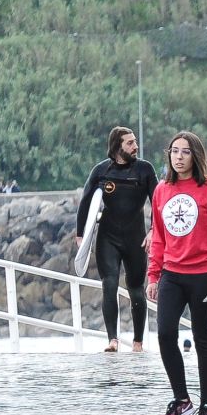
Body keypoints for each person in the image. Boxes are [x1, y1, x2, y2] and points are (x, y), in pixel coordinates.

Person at [146, 131, 207, 415]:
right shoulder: (162, 190)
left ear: (196, 156)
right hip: (172, 275)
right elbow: (158, 237)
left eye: (185, 152)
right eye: (175, 151)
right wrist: (153, 275)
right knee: (165, 334)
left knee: (204, 338)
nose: (179, 157)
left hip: (204, 274)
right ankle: (181, 400)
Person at [75, 126, 158, 353]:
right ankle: (113, 340)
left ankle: (138, 342)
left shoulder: (145, 170)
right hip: (108, 237)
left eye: (135, 142)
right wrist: (80, 235)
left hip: (136, 238)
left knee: (135, 288)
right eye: (130, 143)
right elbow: (85, 201)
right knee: (109, 284)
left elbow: (158, 202)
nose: (135, 146)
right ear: (117, 146)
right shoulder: (102, 170)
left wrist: (154, 231)